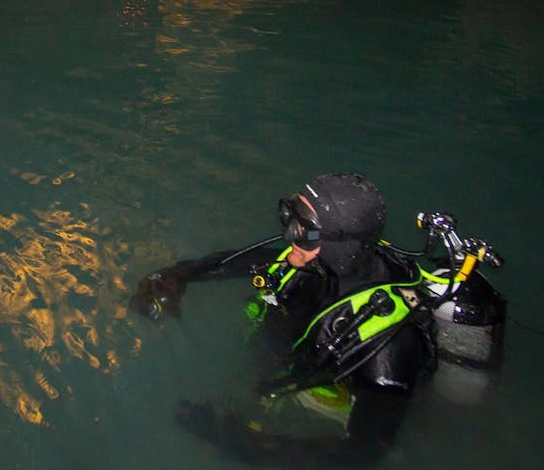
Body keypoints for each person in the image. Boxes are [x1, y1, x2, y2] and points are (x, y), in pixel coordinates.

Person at [131, 173, 436, 466]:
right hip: (282, 366)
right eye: (291, 217)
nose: (289, 233)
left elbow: (362, 452)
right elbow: (241, 263)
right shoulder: (312, 261)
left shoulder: (389, 352)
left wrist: (242, 443)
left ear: (337, 246)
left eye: (303, 229)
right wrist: (173, 275)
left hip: (325, 400)